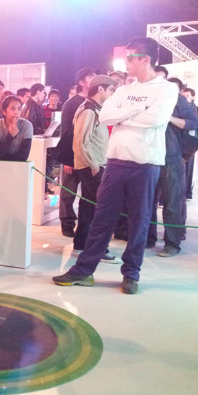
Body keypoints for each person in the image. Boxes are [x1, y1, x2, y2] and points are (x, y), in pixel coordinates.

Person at [52, 37, 179, 295]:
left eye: (130, 57)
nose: (126, 62)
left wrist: (124, 115)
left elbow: (156, 119)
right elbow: (106, 115)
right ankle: (83, 270)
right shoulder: (122, 90)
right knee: (101, 219)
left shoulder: (166, 89)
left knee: (139, 222)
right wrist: (137, 109)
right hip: (115, 163)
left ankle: (131, 274)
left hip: (145, 165)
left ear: (145, 59)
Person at [147, 77, 198, 257]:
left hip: (170, 157)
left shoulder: (178, 99)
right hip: (148, 156)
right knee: (147, 202)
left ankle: (172, 243)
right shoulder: (148, 96)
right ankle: (148, 238)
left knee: (172, 203)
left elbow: (193, 122)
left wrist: (169, 118)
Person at [71, 75, 119, 264]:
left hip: (93, 164)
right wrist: (93, 165)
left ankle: (82, 243)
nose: (112, 93)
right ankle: (98, 249)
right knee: (99, 209)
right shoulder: (89, 111)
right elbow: (81, 142)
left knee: (88, 206)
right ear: (100, 89)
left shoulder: (92, 108)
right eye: (110, 89)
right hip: (91, 166)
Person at [55, 67, 97, 237]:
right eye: (91, 76)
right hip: (72, 157)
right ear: (81, 82)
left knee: (88, 194)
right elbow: (66, 133)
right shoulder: (71, 103)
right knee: (68, 192)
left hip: (89, 156)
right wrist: (68, 161)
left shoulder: (94, 102)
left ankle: (85, 226)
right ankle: (67, 224)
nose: (95, 78)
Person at [181, 87, 198, 199]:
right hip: (178, 143)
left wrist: (197, 144)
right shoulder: (177, 108)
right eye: (183, 96)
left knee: (188, 169)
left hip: (190, 144)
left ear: (193, 97)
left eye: (187, 96)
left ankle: (186, 193)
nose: (185, 98)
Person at [0, 95, 33, 161]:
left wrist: (3, 157)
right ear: (4, 112)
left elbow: (23, 156)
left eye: (19, 109)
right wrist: (10, 136)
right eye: (13, 109)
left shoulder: (27, 125)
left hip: (19, 165)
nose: (16, 112)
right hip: (0, 165)